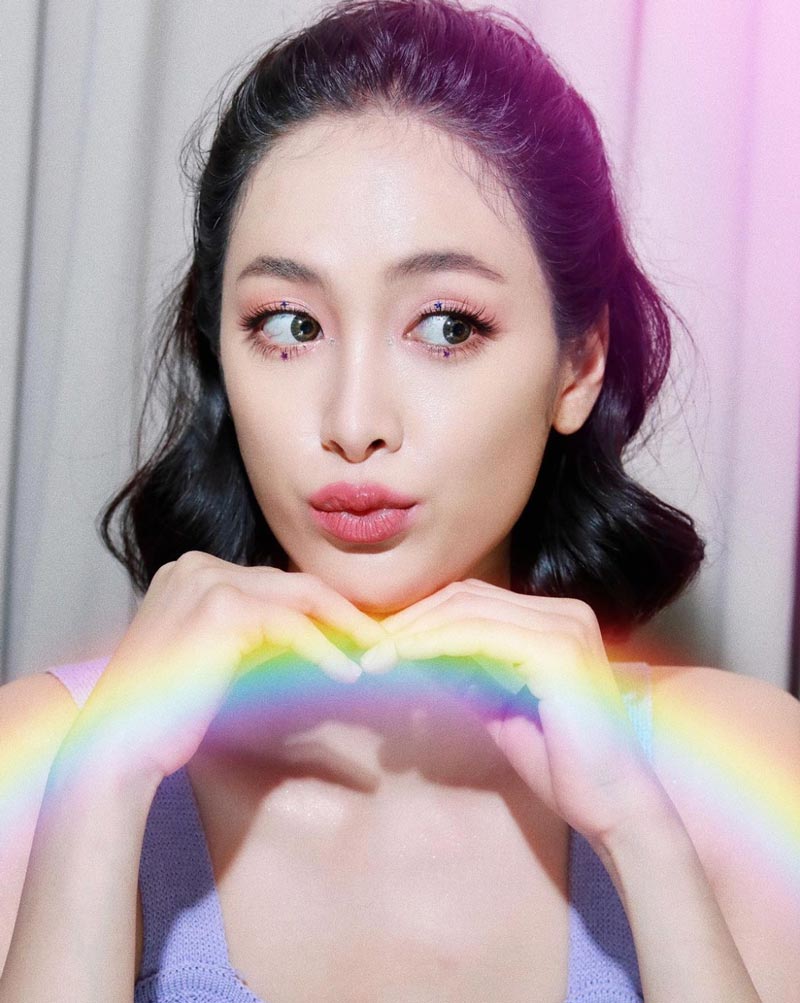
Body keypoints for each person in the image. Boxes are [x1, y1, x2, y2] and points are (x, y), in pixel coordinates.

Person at [1, 0, 798, 1000]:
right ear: (219, 354)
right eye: (290, 324)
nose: (353, 421)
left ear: (578, 363)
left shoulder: (750, 769)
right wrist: (99, 790)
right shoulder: (37, 763)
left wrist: (639, 830)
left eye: (447, 326)